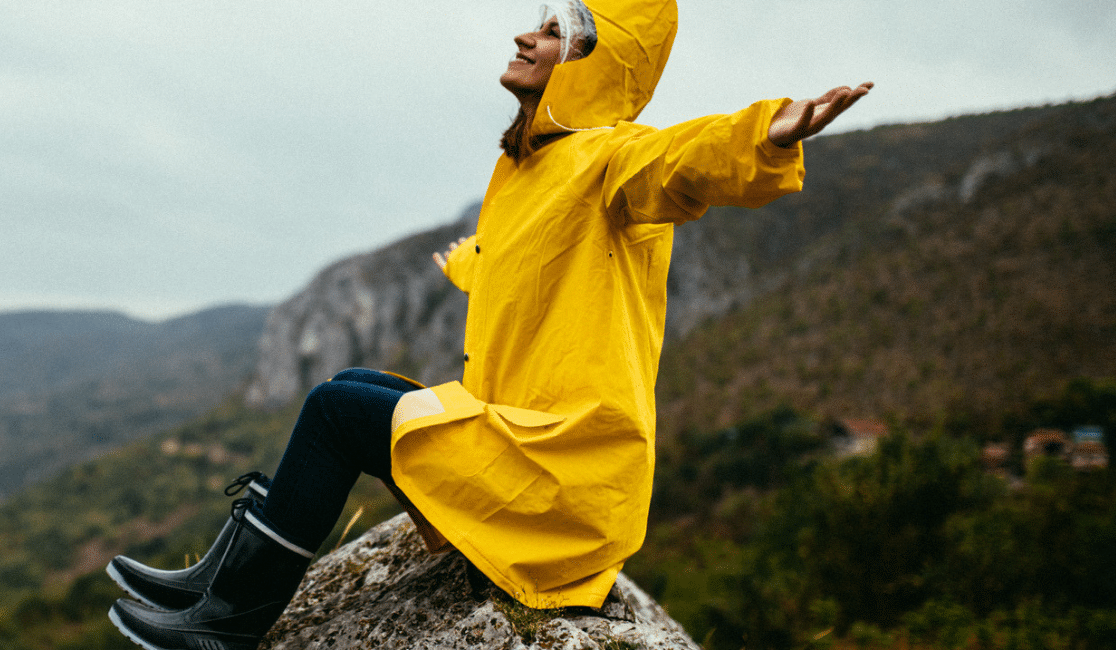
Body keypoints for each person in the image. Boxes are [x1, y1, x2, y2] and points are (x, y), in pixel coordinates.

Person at [108, 0, 872, 647]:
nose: (524, 36)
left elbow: (681, 162)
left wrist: (766, 134)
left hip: (561, 477)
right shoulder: (539, 163)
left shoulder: (612, 158)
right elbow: (544, 274)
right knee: (354, 384)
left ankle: (230, 625)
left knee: (336, 412)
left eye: (551, 29)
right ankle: (211, 584)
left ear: (593, 62)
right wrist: (473, 266)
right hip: (525, 441)